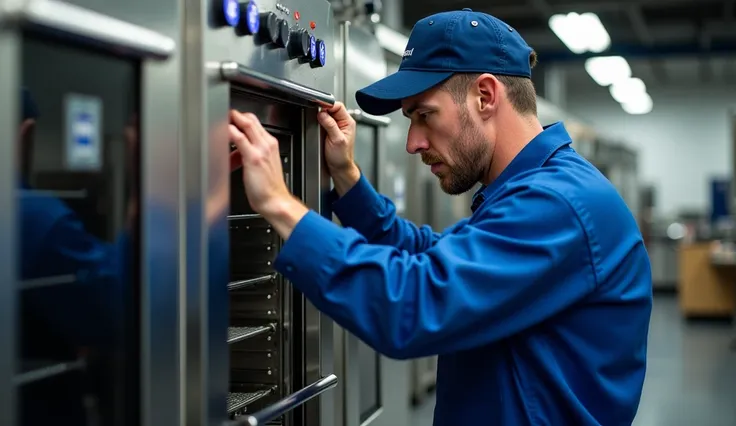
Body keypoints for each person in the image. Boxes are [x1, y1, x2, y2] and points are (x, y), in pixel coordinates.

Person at [228, 8, 652, 426]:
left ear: (485, 96)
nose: (413, 142)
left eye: (424, 115)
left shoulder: (558, 204)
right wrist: (347, 179)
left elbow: (413, 303)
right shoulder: (532, 190)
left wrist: (280, 203)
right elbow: (436, 258)